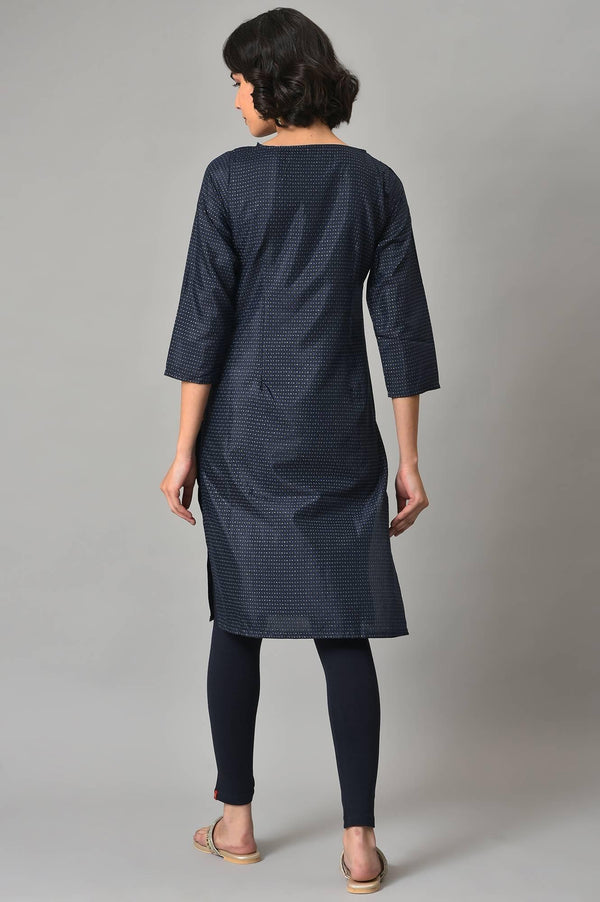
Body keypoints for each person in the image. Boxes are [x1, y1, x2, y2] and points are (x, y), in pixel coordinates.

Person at [160, 8, 440, 893]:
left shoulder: (230, 179)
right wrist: (409, 459)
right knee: (342, 629)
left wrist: (183, 450)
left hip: (243, 436)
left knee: (238, 621)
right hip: (339, 433)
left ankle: (236, 825)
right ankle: (360, 846)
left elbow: (203, 322)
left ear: (274, 82)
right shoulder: (376, 183)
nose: (235, 98)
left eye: (240, 81)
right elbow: (401, 330)